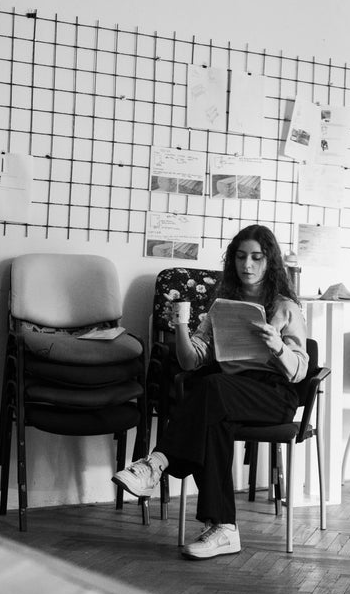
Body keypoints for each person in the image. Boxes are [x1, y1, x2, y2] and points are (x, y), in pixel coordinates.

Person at [113, 224, 308, 560]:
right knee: (212, 418)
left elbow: (299, 371)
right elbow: (191, 361)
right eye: (241, 257)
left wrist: (277, 346)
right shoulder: (223, 306)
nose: (247, 265)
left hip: (274, 395)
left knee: (211, 387)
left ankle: (157, 463)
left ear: (269, 262)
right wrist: (181, 327)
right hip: (227, 395)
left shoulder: (284, 307)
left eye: (256, 258)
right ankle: (224, 529)